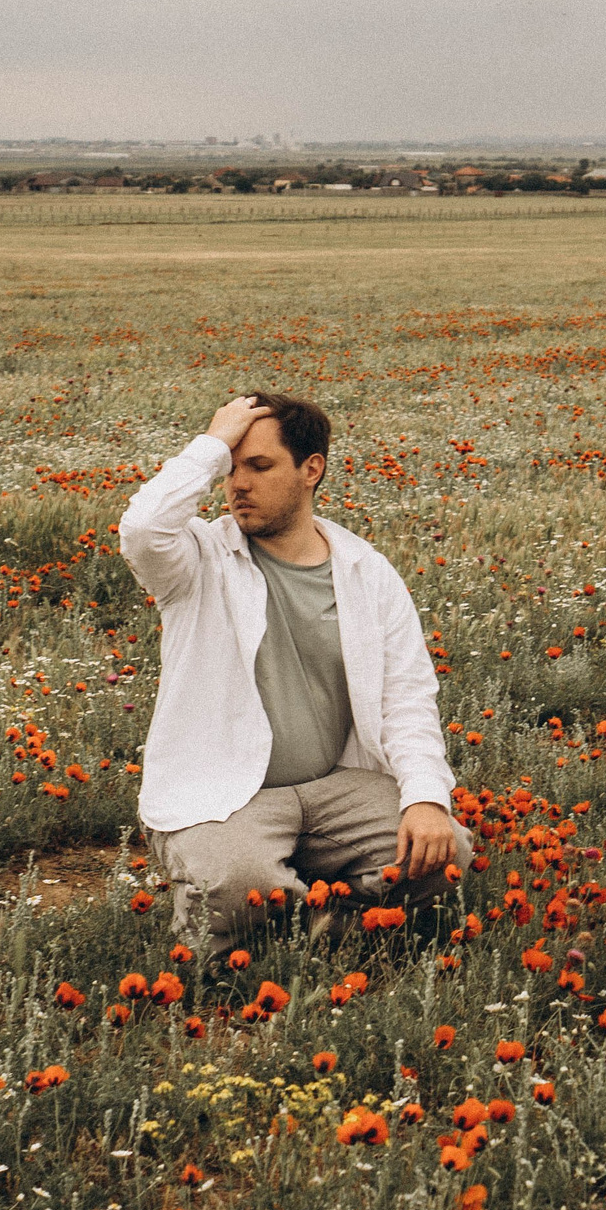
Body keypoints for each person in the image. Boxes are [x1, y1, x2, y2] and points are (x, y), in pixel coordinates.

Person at [117, 391, 473, 965]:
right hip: (226, 795)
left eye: (259, 467)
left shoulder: (364, 570)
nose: (238, 485)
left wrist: (427, 799)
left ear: (312, 470)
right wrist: (211, 445)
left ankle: (313, 914)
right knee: (239, 890)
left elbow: (406, 698)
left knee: (444, 852)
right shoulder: (197, 560)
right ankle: (284, 910)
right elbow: (141, 530)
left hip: (336, 786)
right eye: (231, 470)